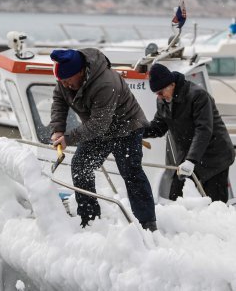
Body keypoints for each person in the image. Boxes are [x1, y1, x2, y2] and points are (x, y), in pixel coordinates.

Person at [49, 48, 156, 231]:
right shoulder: (65, 81)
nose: (65, 85)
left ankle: (147, 224)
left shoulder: (105, 83)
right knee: (81, 166)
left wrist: (68, 138)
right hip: (99, 128)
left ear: (81, 72)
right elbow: (59, 100)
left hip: (127, 127)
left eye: (68, 81)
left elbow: (99, 125)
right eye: (62, 81)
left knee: (131, 173)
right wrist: (58, 129)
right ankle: (90, 219)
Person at [144, 63, 235, 202]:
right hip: (188, 156)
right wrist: (137, 132)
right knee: (173, 194)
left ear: (172, 85)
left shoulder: (198, 96)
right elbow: (158, 127)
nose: (159, 96)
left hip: (214, 158)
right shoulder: (163, 101)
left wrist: (191, 160)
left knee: (214, 203)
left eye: (161, 92)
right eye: (156, 94)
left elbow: (204, 130)